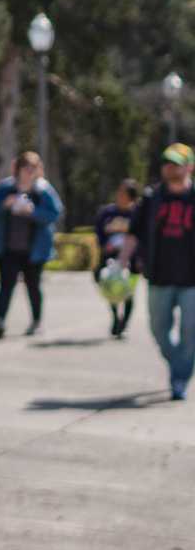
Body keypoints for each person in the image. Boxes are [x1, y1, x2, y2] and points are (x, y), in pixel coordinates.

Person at [124, 146, 195, 399]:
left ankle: (180, 379)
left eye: (176, 163)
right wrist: (122, 262)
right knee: (158, 329)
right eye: (166, 162)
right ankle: (179, 364)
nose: (170, 167)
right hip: (159, 276)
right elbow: (134, 233)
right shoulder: (152, 198)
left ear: (190, 166)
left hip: (191, 280)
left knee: (191, 331)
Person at [0, 150, 62, 339]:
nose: (29, 172)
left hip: (34, 250)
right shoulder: (5, 188)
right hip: (8, 247)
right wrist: (5, 204)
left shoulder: (43, 191)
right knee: (6, 286)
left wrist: (32, 212)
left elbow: (55, 214)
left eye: (32, 169)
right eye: (25, 168)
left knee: (33, 286)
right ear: (18, 169)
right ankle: (0, 322)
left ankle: (36, 321)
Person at [96, 177, 142, 339]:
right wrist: (105, 245)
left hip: (133, 262)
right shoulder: (107, 212)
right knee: (111, 291)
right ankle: (116, 317)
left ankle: (124, 325)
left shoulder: (138, 213)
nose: (119, 195)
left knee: (129, 292)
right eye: (119, 191)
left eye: (123, 192)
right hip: (110, 260)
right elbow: (99, 234)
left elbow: (142, 236)